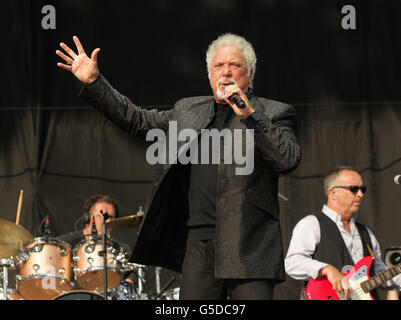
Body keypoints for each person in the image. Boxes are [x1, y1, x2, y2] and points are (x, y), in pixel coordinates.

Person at [56, 33, 301, 300]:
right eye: (219, 66)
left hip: (250, 244)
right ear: (209, 74)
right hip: (199, 243)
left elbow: (287, 159)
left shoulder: (274, 112)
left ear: (250, 73)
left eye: (235, 65)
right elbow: (137, 120)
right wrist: (95, 83)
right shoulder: (188, 110)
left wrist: (251, 116)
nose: (226, 71)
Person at [285, 166, 401, 299]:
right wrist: (327, 269)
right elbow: (292, 262)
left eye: (362, 189)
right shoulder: (312, 224)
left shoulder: (366, 233)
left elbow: (379, 272)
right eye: (353, 189)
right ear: (333, 193)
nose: (360, 194)